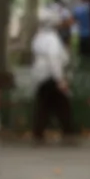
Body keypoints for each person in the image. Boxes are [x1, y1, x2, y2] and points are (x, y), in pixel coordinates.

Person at [31, 9, 76, 144]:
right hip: (50, 76)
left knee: (44, 105)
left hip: (41, 76)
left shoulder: (38, 37)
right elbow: (54, 59)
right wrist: (60, 79)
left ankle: (39, 132)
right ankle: (68, 131)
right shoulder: (52, 39)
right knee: (62, 104)